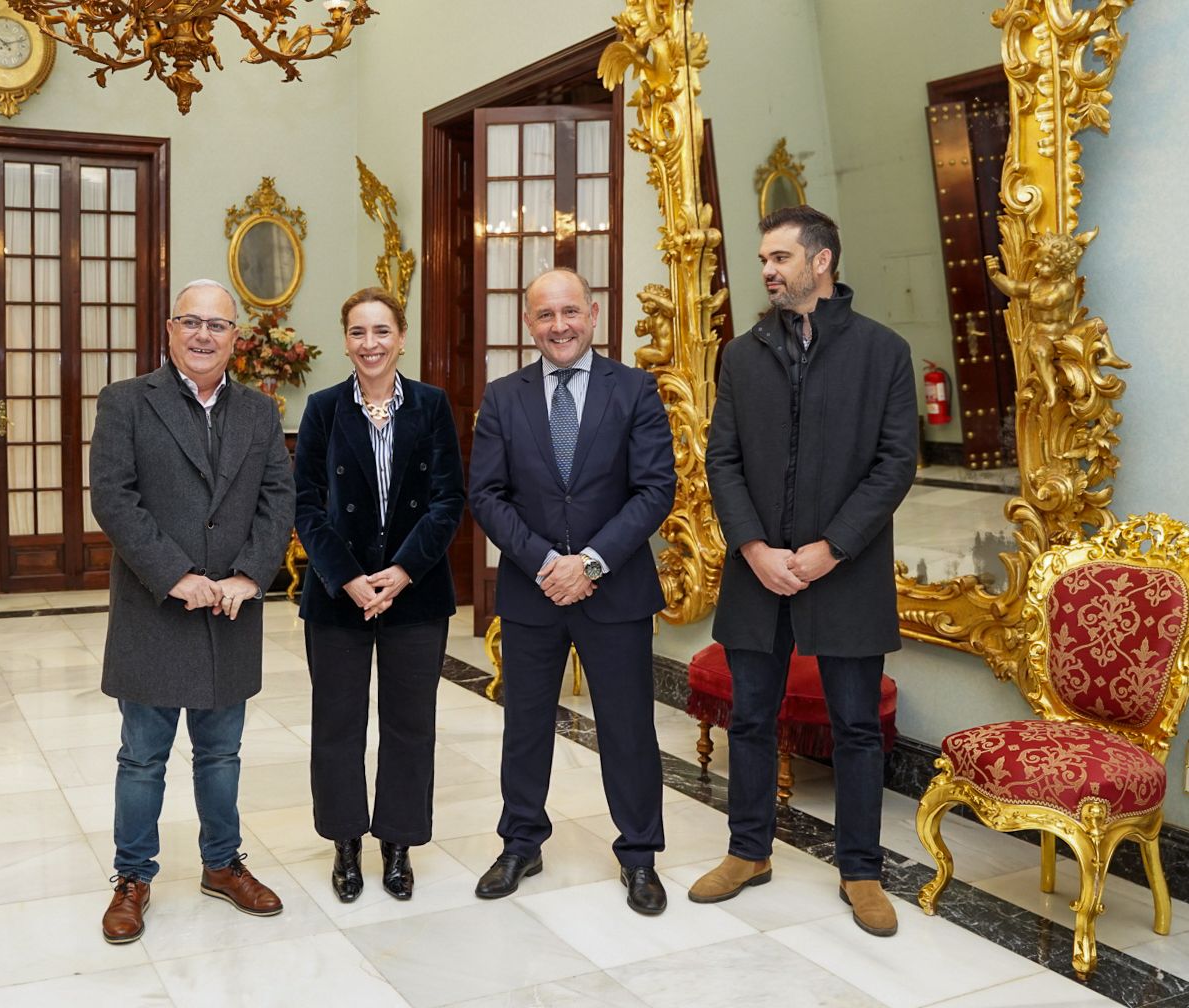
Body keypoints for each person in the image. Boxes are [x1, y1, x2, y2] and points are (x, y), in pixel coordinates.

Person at [689, 206, 917, 937]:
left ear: (821, 261)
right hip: (757, 572)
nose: (767, 269)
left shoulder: (883, 352)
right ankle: (747, 852)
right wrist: (754, 548)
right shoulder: (742, 353)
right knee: (751, 718)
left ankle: (860, 871)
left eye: (780, 257)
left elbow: (895, 464)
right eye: (764, 258)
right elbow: (722, 459)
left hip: (846, 572)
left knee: (856, 727)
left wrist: (831, 549)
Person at [90, 279, 295, 944]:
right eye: (192, 322)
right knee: (142, 758)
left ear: (236, 338)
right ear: (170, 330)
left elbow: (277, 499)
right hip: (153, 608)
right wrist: (174, 574)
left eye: (218, 325)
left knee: (221, 753)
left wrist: (250, 574)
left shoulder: (259, 412)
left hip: (229, 612)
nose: (204, 334)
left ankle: (222, 864)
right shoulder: (126, 401)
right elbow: (113, 498)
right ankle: (132, 878)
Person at [468, 267, 677, 915]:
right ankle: (520, 843)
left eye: (569, 312)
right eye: (544, 315)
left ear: (592, 314)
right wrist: (544, 564)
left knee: (628, 728)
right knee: (524, 726)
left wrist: (589, 563)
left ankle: (639, 855)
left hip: (615, 591)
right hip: (531, 593)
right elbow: (486, 495)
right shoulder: (503, 397)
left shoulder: (634, 389)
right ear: (528, 323)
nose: (558, 326)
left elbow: (655, 490)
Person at [294, 287, 464, 904]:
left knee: (410, 725)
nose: (371, 344)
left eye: (382, 331)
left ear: (402, 337)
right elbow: (306, 504)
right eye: (359, 332)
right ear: (345, 341)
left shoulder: (432, 405)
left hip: (415, 593)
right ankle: (345, 843)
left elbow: (448, 500)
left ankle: (398, 844)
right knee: (337, 725)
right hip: (337, 593)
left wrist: (403, 572)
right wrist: (347, 576)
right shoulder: (322, 410)